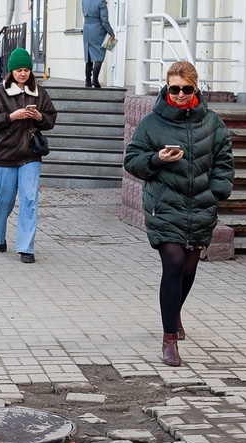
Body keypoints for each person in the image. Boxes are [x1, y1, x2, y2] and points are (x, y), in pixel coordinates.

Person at [124, 61, 234, 366]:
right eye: (175, 89)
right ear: (167, 88)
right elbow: (132, 159)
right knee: (173, 263)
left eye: (187, 89)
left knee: (188, 270)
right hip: (164, 205)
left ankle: (174, 312)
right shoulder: (152, 122)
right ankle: (169, 339)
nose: (181, 94)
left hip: (200, 205)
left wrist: (216, 191)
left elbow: (224, 158)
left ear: (195, 88)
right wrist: (157, 159)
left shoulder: (212, 123)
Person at [0, 47, 57, 264]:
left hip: (30, 154)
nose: (22, 74)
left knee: (30, 199)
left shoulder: (39, 93)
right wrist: (10, 117)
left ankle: (26, 247)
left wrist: (39, 116)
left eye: (26, 70)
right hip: (4, 154)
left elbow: (51, 119)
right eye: (18, 70)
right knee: (4, 200)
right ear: (11, 72)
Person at [82, 0, 114, 88]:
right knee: (99, 56)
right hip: (98, 30)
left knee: (88, 55)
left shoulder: (84, 1)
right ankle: (95, 80)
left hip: (86, 29)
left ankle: (87, 80)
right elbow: (104, 21)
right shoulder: (101, 2)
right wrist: (111, 33)